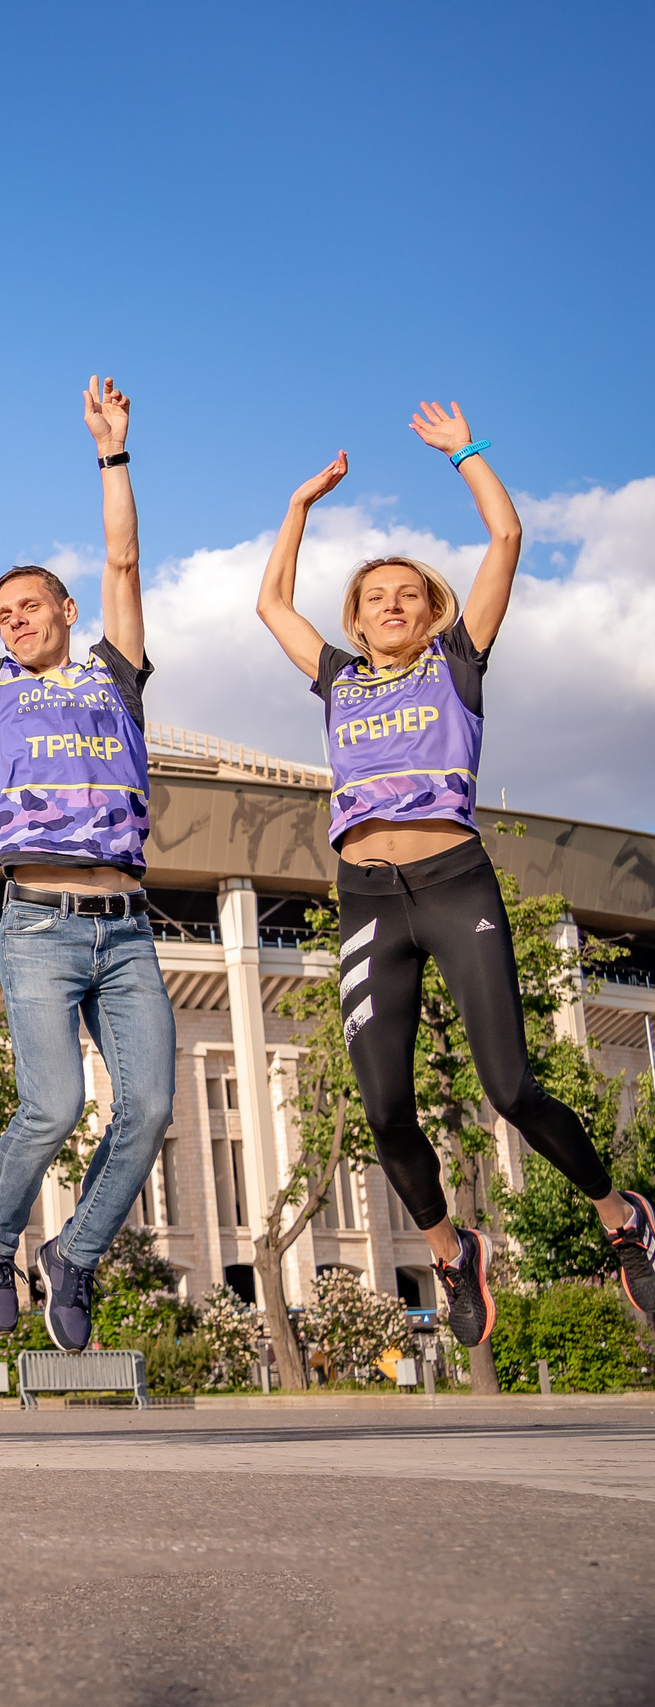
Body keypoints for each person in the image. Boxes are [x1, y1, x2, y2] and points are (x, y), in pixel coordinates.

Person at [255, 405, 655, 1345]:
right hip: (366, 901)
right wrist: (298, 506)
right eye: (374, 598)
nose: (391, 606)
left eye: (408, 595)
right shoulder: (339, 680)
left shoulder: (457, 666)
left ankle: (622, 1217)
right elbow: (272, 606)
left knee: (510, 1085)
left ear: (431, 611)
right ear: (355, 620)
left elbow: (506, 536)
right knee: (385, 1106)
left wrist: (466, 454)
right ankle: (449, 1249)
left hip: (454, 882)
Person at [0, 380, 175, 1354]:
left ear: (66, 610)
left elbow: (123, 557)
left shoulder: (116, 673)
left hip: (124, 927)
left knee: (149, 1107)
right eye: (6, 611)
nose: (15, 619)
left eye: (31, 605)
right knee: (55, 1104)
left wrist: (111, 454)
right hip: (34, 921)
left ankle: (72, 1256)